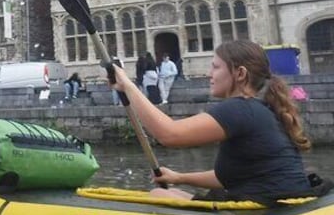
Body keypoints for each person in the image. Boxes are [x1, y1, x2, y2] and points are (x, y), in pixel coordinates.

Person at [108, 40, 315, 202]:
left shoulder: (238, 108)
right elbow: (229, 176)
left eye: (215, 67)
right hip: (274, 202)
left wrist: (127, 84)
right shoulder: (261, 109)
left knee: (158, 196)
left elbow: (169, 134)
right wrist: (179, 177)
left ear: (240, 73)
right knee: (174, 193)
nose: (210, 74)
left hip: (267, 210)